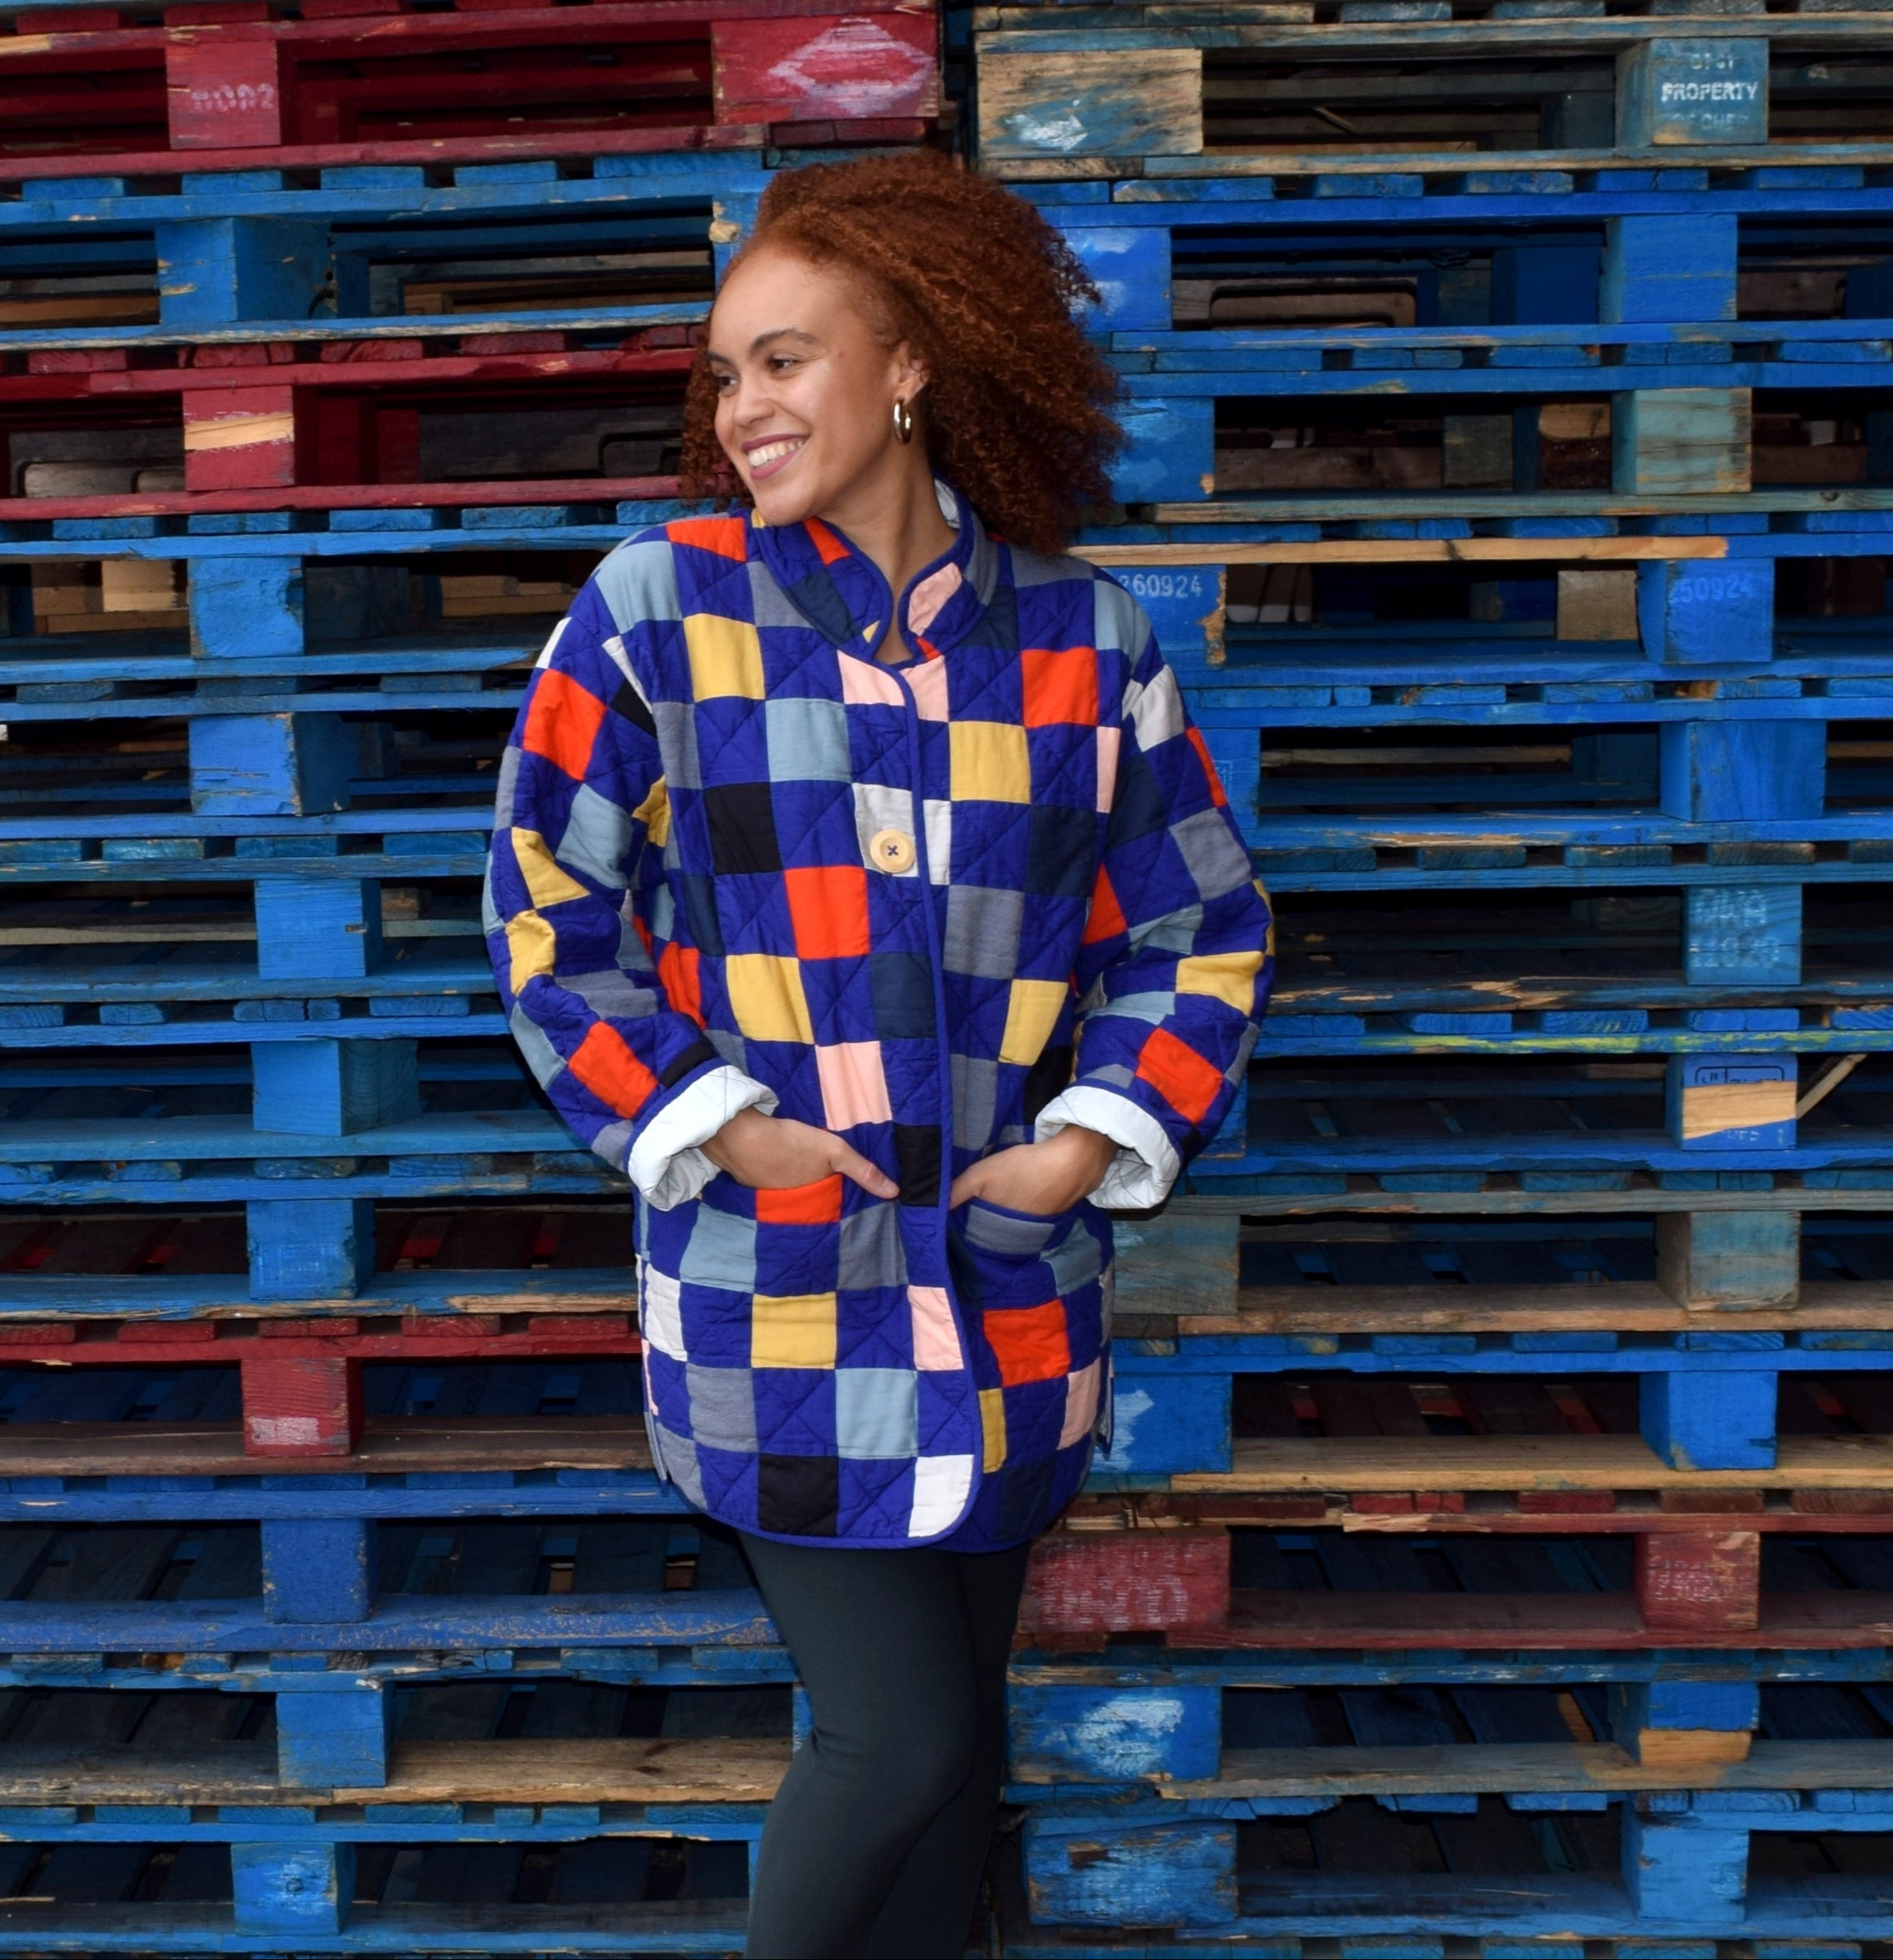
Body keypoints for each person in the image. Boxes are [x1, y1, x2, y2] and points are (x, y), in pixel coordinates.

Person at [485, 149, 1274, 1959]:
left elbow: (1198, 926)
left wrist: (1087, 1140)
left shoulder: (1086, 644)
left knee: (956, 1754)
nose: (739, 407)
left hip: (1006, 1297)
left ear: (909, 359)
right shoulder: (653, 612)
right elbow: (547, 916)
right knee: (894, 1732)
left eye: (782, 358)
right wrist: (722, 1124)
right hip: (774, 1294)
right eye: (724, 373)